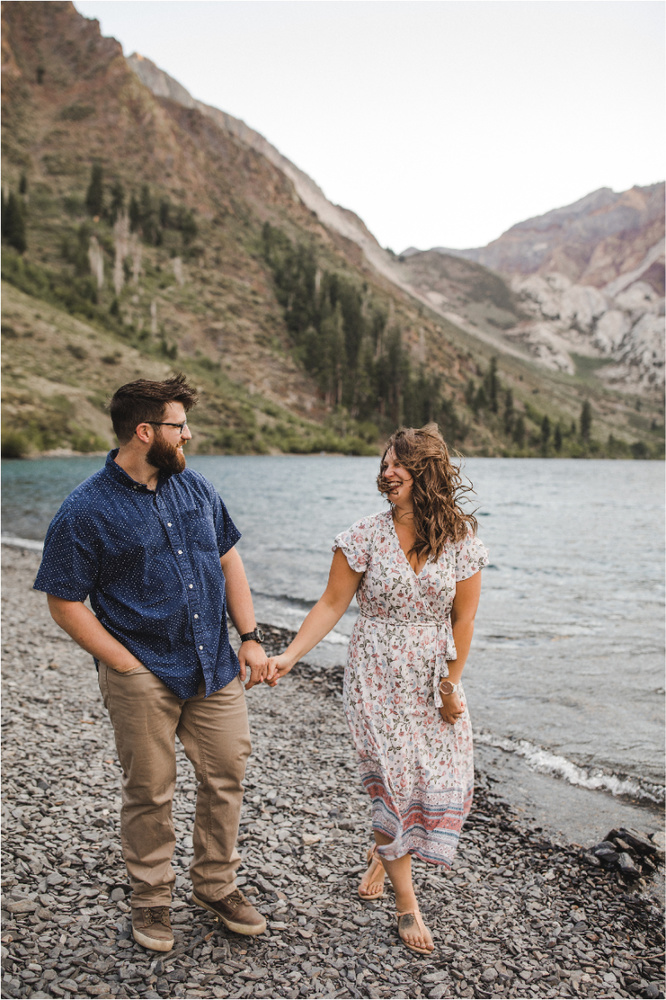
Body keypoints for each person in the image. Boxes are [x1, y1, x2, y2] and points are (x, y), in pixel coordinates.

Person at [34, 374, 269, 953]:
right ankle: (151, 900)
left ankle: (215, 885)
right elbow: (64, 600)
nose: (188, 434)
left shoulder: (198, 489)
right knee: (150, 789)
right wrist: (126, 665)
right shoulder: (84, 509)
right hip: (142, 675)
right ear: (145, 432)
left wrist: (251, 637)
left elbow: (229, 558)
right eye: (178, 425)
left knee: (226, 775)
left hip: (214, 665)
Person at [266, 423, 488, 955]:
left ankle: (381, 852)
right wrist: (291, 655)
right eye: (384, 464)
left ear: (426, 473)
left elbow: (464, 619)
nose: (386, 473)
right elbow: (330, 605)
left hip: (431, 676)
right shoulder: (363, 535)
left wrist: (451, 684)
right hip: (374, 674)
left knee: (437, 775)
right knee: (393, 781)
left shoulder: (461, 541)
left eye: (397, 465)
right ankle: (407, 906)